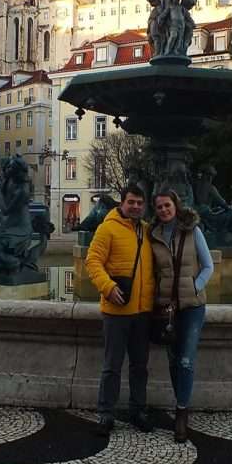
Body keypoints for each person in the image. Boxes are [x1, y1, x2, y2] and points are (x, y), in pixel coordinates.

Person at [84, 184, 156, 436]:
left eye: (139, 203)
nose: (135, 206)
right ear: (122, 203)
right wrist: (107, 286)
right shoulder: (107, 228)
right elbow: (92, 260)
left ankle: (138, 410)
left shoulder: (147, 231)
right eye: (131, 202)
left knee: (140, 366)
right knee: (112, 366)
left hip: (143, 312)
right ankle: (105, 413)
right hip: (116, 310)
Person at [150, 189, 214, 443]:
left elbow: (208, 265)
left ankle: (181, 411)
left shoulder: (192, 231)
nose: (164, 210)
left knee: (186, 360)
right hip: (166, 308)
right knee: (173, 359)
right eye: (159, 207)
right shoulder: (153, 236)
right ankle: (181, 403)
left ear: (175, 206)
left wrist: (195, 286)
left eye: (167, 205)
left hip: (192, 306)